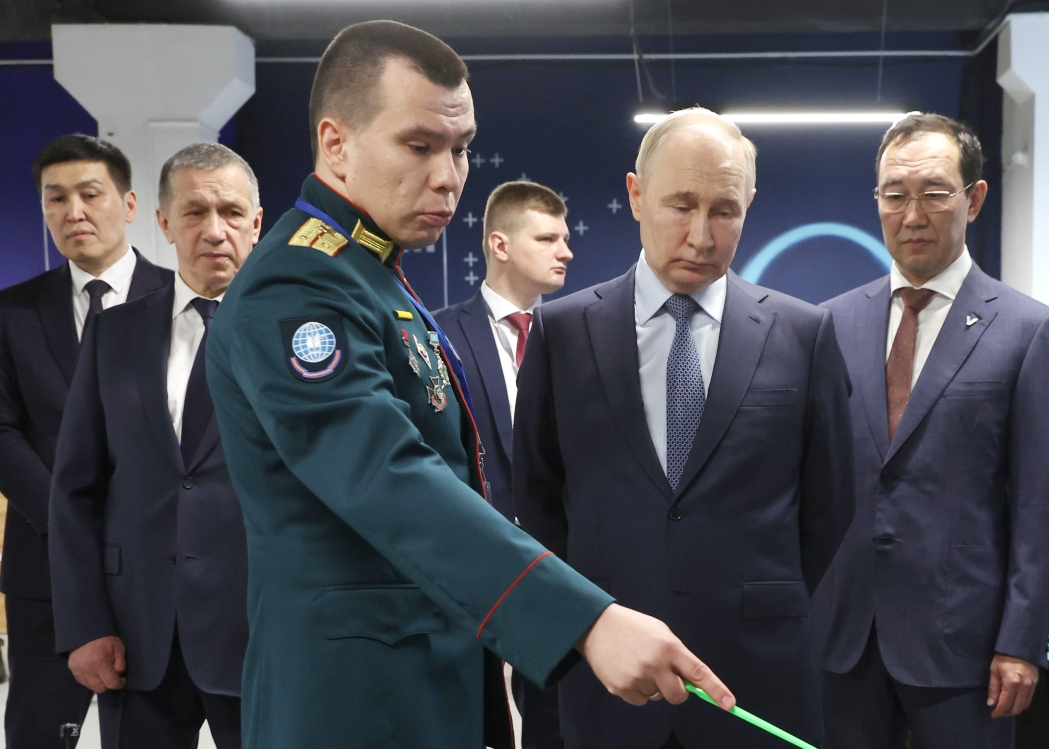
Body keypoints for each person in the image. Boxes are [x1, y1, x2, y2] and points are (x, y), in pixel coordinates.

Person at [204, 21, 734, 749]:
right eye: (419, 145)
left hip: (414, 685)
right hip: (351, 704)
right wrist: (586, 619)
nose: (450, 175)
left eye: (459, 148)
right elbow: (388, 477)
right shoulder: (300, 285)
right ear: (336, 143)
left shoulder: (367, 272)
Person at [512, 107, 857, 749]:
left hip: (756, 683)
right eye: (681, 206)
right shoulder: (562, 334)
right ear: (636, 196)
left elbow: (830, 504)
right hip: (608, 684)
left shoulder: (804, 335)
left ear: (749, 206)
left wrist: (755, 598)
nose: (701, 235)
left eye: (724, 210)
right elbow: (538, 500)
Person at [819, 112, 1049, 749]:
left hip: (969, 650)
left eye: (934, 193)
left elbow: (1040, 505)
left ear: (974, 199)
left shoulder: (1026, 331)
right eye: (894, 195)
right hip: (843, 643)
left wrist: (1022, 640)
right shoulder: (829, 325)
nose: (912, 216)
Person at [49, 142, 261, 749]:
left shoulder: (296, 337)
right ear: (164, 223)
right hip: (136, 636)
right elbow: (75, 489)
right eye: (194, 212)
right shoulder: (113, 333)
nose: (214, 230)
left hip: (258, 632)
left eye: (231, 212)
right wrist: (85, 624)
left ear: (256, 223)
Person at [0, 134, 172, 748]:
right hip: (46, 571)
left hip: (160, 568)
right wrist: (65, 520)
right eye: (56, 198)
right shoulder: (11, 313)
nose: (73, 211)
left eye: (90, 194)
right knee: (41, 734)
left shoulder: (182, 302)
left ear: (129, 203)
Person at [434, 180, 573, 748]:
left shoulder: (575, 335)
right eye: (547, 239)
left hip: (558, 570)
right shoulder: (437, 334)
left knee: (551, 725)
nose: (566, 251)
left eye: (565, 238)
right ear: (500, 245)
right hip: (467, 571)